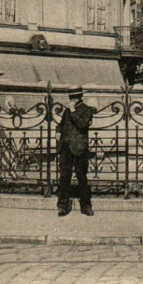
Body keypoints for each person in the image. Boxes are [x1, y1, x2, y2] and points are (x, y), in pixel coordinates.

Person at [56, 87, 95, 218]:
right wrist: (58, 131)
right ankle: (62, 206)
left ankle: (86, 206)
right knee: (64, 177)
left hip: (79, 148)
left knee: (81, 177)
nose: (71, 100)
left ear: (79, 97)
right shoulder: (67, 111)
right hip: (66, 147)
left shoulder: (87, 110)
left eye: (73, 98)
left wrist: (73, 110)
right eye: (70, 98)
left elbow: (82, 124)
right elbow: (61, 124)